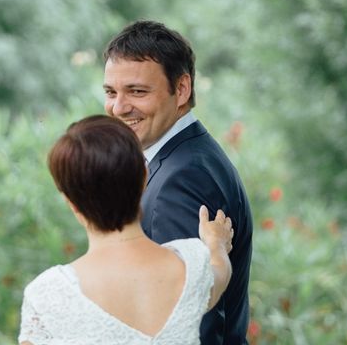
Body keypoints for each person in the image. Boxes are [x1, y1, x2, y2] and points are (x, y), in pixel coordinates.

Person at [18, 115, 234, 345]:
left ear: (71, 202)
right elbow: (222, 270)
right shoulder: (191, 266)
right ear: (144, 176)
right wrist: (216, 243)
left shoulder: (48, 295)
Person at [103, 20, 253, 345]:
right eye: (111, 92)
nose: (118, 107)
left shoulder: (184, 178)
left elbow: (193, 320)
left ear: (181, 89)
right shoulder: (188, 158)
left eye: (137, 91)